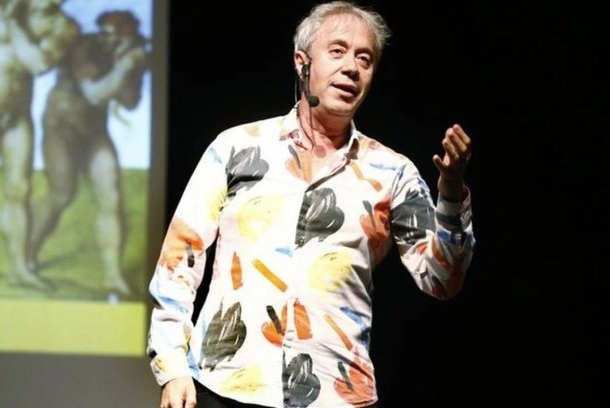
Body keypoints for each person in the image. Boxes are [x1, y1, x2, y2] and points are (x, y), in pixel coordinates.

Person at [146, 1, 475, 407]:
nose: (352, 68)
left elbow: (441, 279)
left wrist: (451, 194)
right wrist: (172, 365)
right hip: (224, 386)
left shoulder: (392, 172)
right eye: (337, 51)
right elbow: (180, 258)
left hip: (335, 393)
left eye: (365, 59)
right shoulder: (237, 148)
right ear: (302, 63)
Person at [26, 10, 150, 296]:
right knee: (61, 193)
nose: (108, 42)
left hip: (94, 132)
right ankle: (26, 256)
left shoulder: (129, 57)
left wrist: (130, 67)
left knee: (111, 197)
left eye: (116, 38)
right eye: (105, 34)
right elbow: (93, 93)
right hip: (61, 128)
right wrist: (123, 66)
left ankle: (112, 276)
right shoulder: (84, 46)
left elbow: (130, 102)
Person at [0, 0, 79, 290]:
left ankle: (19, 269)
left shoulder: (61, 26)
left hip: (16, 116)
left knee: (19, 189)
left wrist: (14, 21)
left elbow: (38, 63)